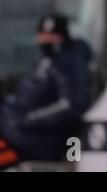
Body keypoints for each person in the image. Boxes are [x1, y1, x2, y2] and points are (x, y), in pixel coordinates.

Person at [0, 14, 91, 169]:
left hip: (38, 141)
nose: (47, 40)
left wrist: (27, 119)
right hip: (17, 133)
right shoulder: (44, 61)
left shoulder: (70, 62)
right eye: (43, 35)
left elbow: (70, 106)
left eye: (53, 36)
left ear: (63, 37)